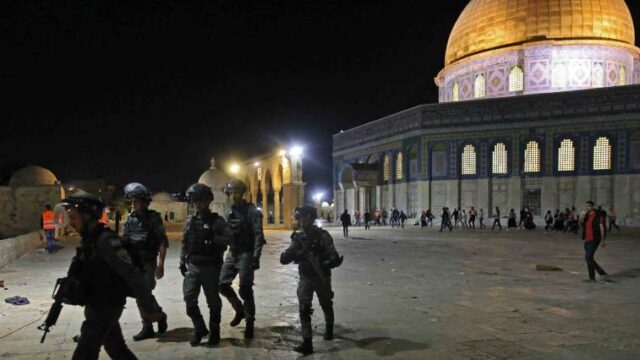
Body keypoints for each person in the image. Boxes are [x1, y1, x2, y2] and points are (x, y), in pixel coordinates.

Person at [57, 192, 166, 359]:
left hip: (106, 306)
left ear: (87, 217)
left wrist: (150, 308)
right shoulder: (90, 240)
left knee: (85, 352)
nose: (71, 223)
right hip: (96, 304)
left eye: (74, 218)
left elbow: (133, 275)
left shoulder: (105, 241)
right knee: (117, 349)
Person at [280, 206, 343, 355]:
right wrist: (286, 256)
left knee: (326, 304)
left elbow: (333, 255)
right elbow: (290, 252)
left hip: (321, 277)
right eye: (299, 219)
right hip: (305, 277)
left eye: (304, 218)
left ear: (311, 218)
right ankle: (307, 343)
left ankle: (329, 328)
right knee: (304, 308)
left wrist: (325, 262)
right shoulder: (298, 237)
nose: (301, 222)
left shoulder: (323, 236)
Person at [180, 183, 234, 346]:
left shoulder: (216, 221)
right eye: (195, 201)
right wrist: (182, 260)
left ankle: (214, 332)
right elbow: (185, 241)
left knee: (213, 302)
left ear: (208, 201)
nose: (198, 204)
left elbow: (231, 239)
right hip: (194, 265)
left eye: (201, 200)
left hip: (212, 266)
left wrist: (213, 237)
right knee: (189, 298)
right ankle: (200, 328)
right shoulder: (190, 221)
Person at [122, 182, 169, 341]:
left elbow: (162, 242)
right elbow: (125, 242)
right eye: (132, 202)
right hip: (134, 263)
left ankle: (150, 324)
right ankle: (155, 318)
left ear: (144, 202)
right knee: (140, 293)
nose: (133, 205)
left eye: (136, 202)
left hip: (148, 262)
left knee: (143, 292)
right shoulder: (130, 219)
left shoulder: (153, 219)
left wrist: (161, 265)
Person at [219, 179, 266, 339]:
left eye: (236, 193)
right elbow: (226, 233)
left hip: (246, 252)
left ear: (242, 193)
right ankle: (240, 310)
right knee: (222, 285)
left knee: (245, 288)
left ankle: (250, 321)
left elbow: (259, 236)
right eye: (230, 193)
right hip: (233, 252)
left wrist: (255, 257)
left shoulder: (252, 211)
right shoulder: (229, 212)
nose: (233, 196)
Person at [581, 201, 608, 282]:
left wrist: (603, 240)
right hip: (586, 239)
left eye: (589, 206)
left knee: (588, 258)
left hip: (594, 239)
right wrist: (581, 217)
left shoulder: (599, 215)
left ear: (592, 206)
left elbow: (602, 228)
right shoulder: (586, 215)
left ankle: (602, 273)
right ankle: (592, 278)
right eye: (586, 206)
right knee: (589, 259)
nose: (587, 208)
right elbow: (581, 225)